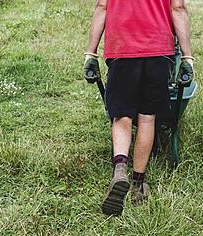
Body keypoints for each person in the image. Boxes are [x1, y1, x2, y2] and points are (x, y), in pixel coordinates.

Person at [83, 0, 194, 216]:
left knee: (122, 116)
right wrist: (188, 57)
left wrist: (91, 52)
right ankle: (138, 184)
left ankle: (120, 168)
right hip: (158, 49)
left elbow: (102, 7)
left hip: (121, 46)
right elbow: (178, 8)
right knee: (147, 118)